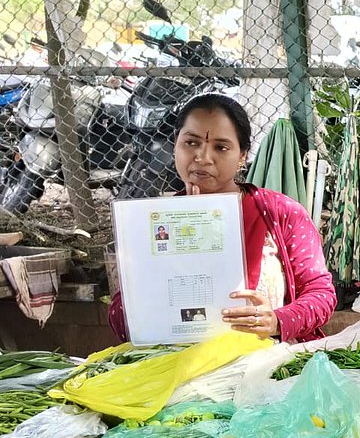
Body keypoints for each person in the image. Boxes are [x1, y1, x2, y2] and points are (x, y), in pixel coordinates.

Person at [109, 94, 336, 343]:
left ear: (242, 157)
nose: (203, 157)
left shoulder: (280, 213)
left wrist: (277, 320)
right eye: (191, 143)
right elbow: (121, 316)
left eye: (221, 147)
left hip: (268, 364)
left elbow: (321, 294)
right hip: (179, 365)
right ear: (175, 145)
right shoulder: (153, 222)